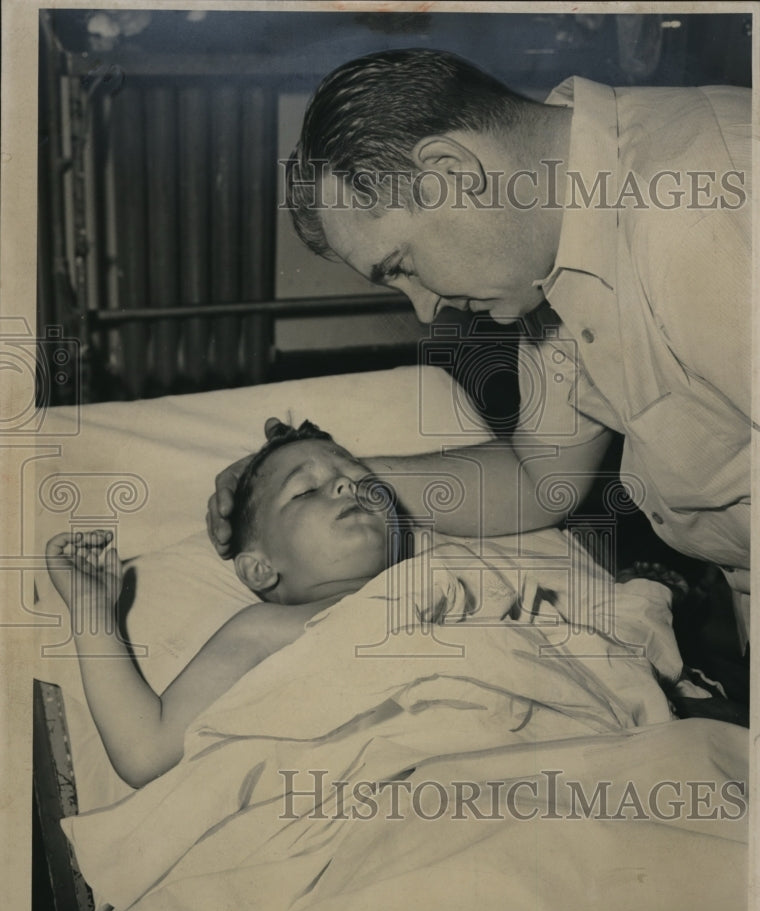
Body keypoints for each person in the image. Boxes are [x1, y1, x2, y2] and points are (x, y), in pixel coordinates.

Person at [207, 48, 752, 647]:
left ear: (451, 172)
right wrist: (315, 481)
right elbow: (539, 480)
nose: (423, 308)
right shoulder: (554, 253)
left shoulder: (711, 217)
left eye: (403, 265)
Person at [46, 419, 399, 789]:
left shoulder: (442, 571)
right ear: (260, 569)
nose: (346, 484)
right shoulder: (268, 627)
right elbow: (144, 751)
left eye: (360, 476)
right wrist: (92, 611)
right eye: (305, 491)